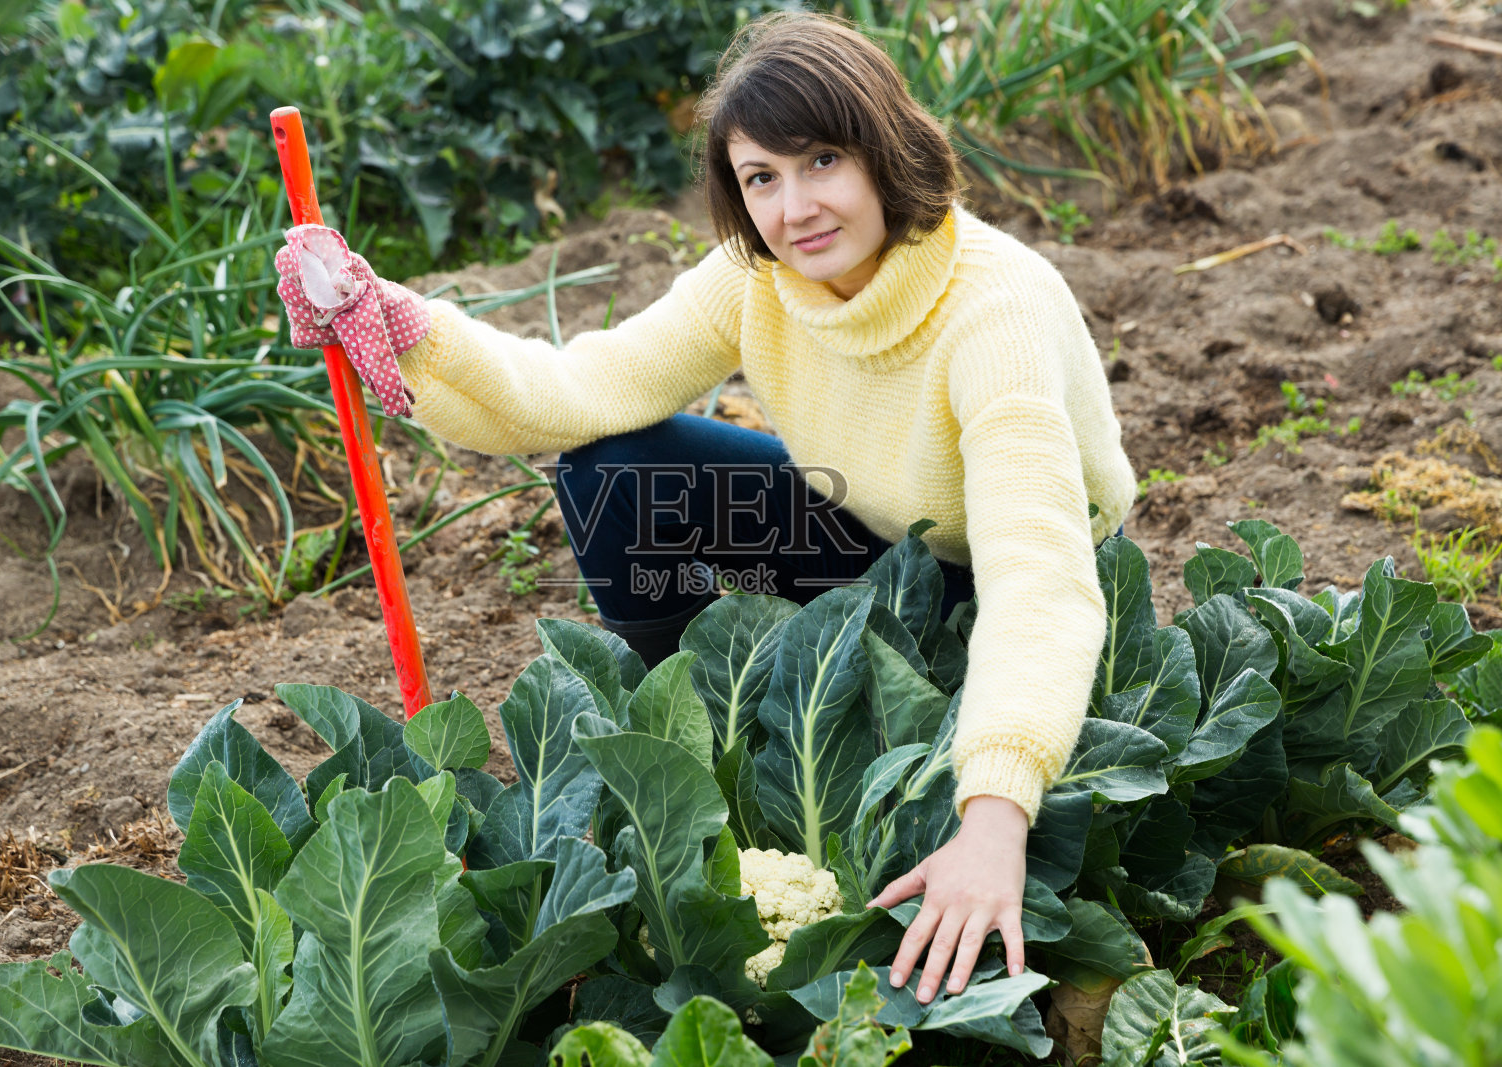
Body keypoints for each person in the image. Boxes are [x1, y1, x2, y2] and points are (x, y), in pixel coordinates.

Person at [273, 11, 1135, 1008]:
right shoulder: (758, 278)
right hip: (874, 529)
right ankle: (686, 750)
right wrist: (402, 323)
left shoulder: (993, 310)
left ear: (885, 148)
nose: (794, 207)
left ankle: (955, 717)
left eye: (821, 160)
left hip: (992, 580)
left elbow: (1038, 575)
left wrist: (995, 817)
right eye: (760, 177)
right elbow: (579, 390)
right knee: (617, 467)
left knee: (992, 693)